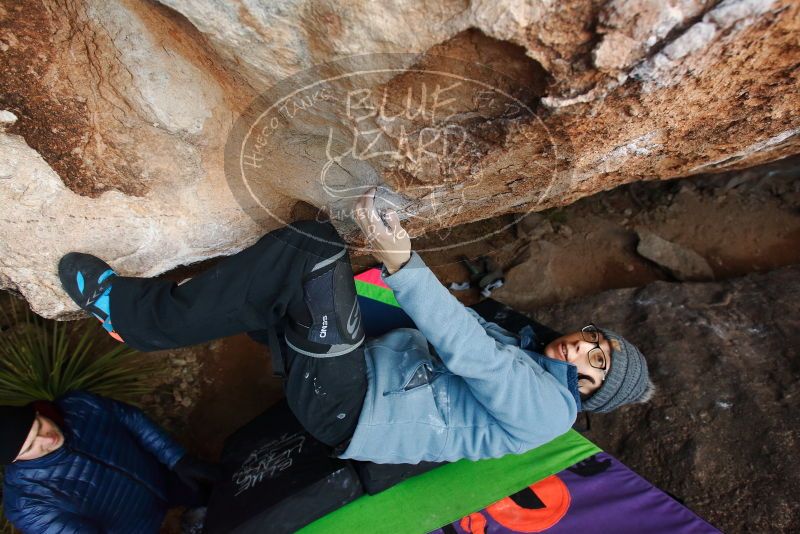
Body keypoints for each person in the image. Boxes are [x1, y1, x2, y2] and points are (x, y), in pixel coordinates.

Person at [56, 188, 654, 465]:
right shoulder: (528, 347)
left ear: (588, 393)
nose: (585, 349)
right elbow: (449, 327)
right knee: (307, 243)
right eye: (598, 341)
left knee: (312, 247)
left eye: (594, 366)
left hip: (351, 404)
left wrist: (401, 261)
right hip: (361, 370)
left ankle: (142, 320)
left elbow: (471, 353)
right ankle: (226, 302)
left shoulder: (550, 412)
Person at [1, 391, 218, 533]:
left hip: (167, 479)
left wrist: (178, 459)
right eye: (31, 446)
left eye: (39, 426)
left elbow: (129, 418)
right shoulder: (30, 504)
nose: (47, 439)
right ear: (15, 460)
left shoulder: (77, 405)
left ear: (37, 412)